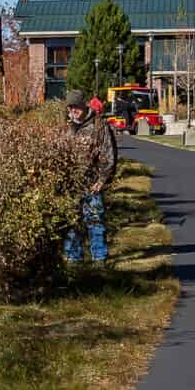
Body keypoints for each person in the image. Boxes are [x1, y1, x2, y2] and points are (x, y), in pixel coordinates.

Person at [62, 89, 119, 262]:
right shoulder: (67, 128)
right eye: (70, 109)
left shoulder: (99, 126)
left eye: (76, 108)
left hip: (92, 183)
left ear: (84, 105)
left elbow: (109, 156)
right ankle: (73, 260)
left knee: (94, 222)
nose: (73, 112)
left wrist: (102, 181)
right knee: (72, 223)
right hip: (71, 185)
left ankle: (99, 260)